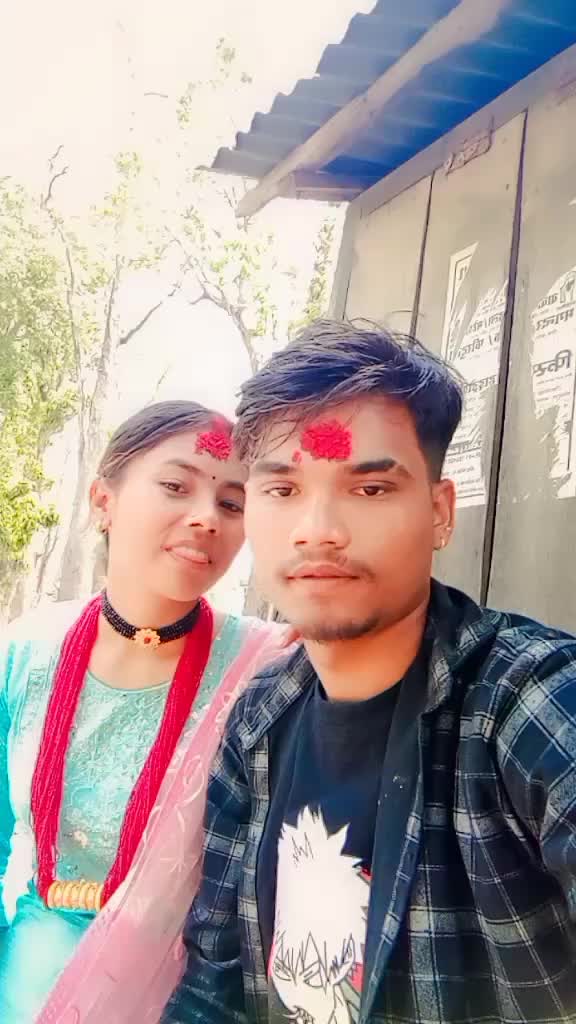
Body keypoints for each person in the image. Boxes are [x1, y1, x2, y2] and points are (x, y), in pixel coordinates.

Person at [164, 320, 576, 1024]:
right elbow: (214, 985)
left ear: (439, 512)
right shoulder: (258, 719)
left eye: (372, 489)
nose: (318, 530)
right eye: (282, 490)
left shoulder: (530, 703)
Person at [0, 400, 288, 1024]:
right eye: (176, 486)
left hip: (191, 998)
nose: (206, 517)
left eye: (232, 503)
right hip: (28, 989)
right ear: (103, 500)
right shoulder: (25, 653)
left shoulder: (267, 669)